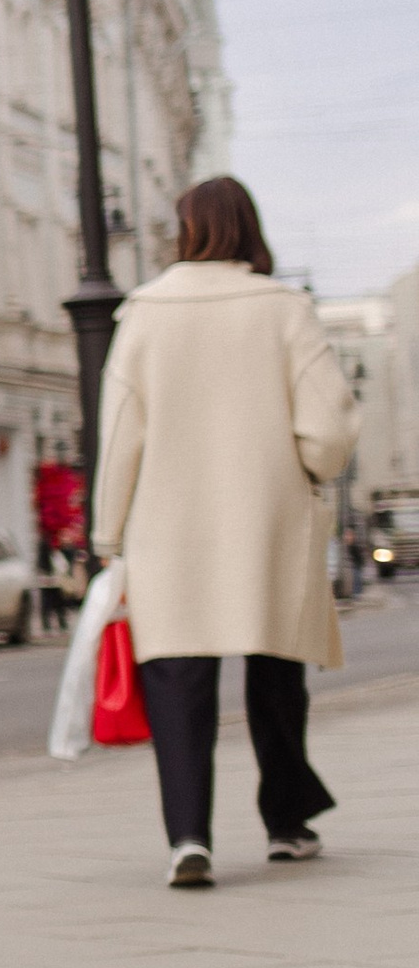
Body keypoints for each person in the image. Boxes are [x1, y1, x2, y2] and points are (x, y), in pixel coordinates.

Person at [94, 173, 360, 890]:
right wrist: (307, 464)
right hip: (267, 512)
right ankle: (286, 822)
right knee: (276, 667)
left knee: (178, 673)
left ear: (185, 231)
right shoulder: (284, 308)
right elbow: (330, 430)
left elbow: (121, 432)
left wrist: (106, 534)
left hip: (168, 522)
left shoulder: (145, 312)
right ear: (249, 228)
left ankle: (187, 837)